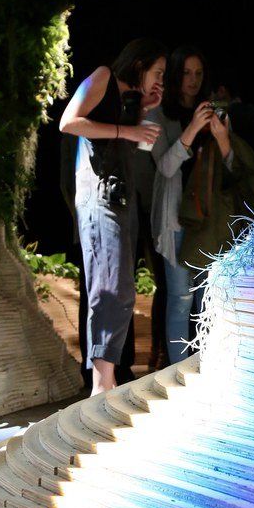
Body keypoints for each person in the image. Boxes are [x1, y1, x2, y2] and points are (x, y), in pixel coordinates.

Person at [60, 38, 166, 394]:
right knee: (109, 286)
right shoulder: (103, 76)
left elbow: (125, 144)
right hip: (99, 198)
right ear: (139, 65)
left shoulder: (129, 101)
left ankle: (106, 377)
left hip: (121, 199)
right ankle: (101, 381)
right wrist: (129, 129)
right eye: (158, 72)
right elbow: (69, 123)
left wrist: (142, 113)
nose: (160, 80)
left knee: (122, 289)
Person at [151, 47, 220, 363]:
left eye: (199, 74)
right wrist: (192, 129)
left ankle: (207, 365)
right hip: (176, 219)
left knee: (208, 298)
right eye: (186, 73)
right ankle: (177, 372)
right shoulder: (159, 114)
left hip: (209, 220)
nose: (192, 81)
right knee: (180, 297)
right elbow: (164, 167)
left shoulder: (213, 112)